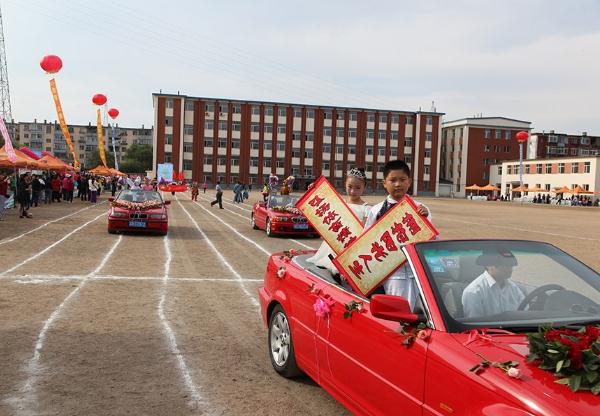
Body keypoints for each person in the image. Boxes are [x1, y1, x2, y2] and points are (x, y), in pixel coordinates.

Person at [364, 160, 432, 309]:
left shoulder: (421, 209)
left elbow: (432, 241)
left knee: (422, 317)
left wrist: (425, 219)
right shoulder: (375, 211)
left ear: (409, 182)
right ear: (384, 183)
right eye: (393, 180)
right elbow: (365, 243)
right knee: (397, 316)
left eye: (402, 180)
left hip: (418, 275)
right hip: (392, 276)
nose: (398, 184)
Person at [307, 167, 371, 276]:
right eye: (350, 187)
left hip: (349, 250)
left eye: (358, 188)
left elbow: (363, 233)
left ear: (364, 187)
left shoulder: (367, 209)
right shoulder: (338, 203)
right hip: (331, 246)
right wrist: (313, 191)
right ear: (345, 184)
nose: (353, 191)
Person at [461, 247, 525, 318]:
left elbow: (525, 313)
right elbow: (475, 324)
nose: (510, 268)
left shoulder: (514, 288)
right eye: (505, 264)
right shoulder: (473, 292)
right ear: (489, 266)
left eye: (511, 264)